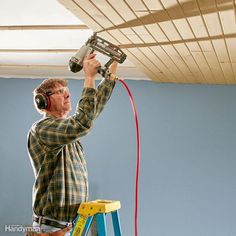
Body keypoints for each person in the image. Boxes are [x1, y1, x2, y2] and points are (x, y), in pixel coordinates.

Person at [27, 53, 117, 235]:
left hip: (70, 226)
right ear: (43, 101)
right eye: (59, 91)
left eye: (65, 90)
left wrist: (112, 69)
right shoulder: (42, 129)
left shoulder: (67, 134)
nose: (66, 93)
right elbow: (82, 123)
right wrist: (89, 77)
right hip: (53, 228)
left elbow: (90, 113)